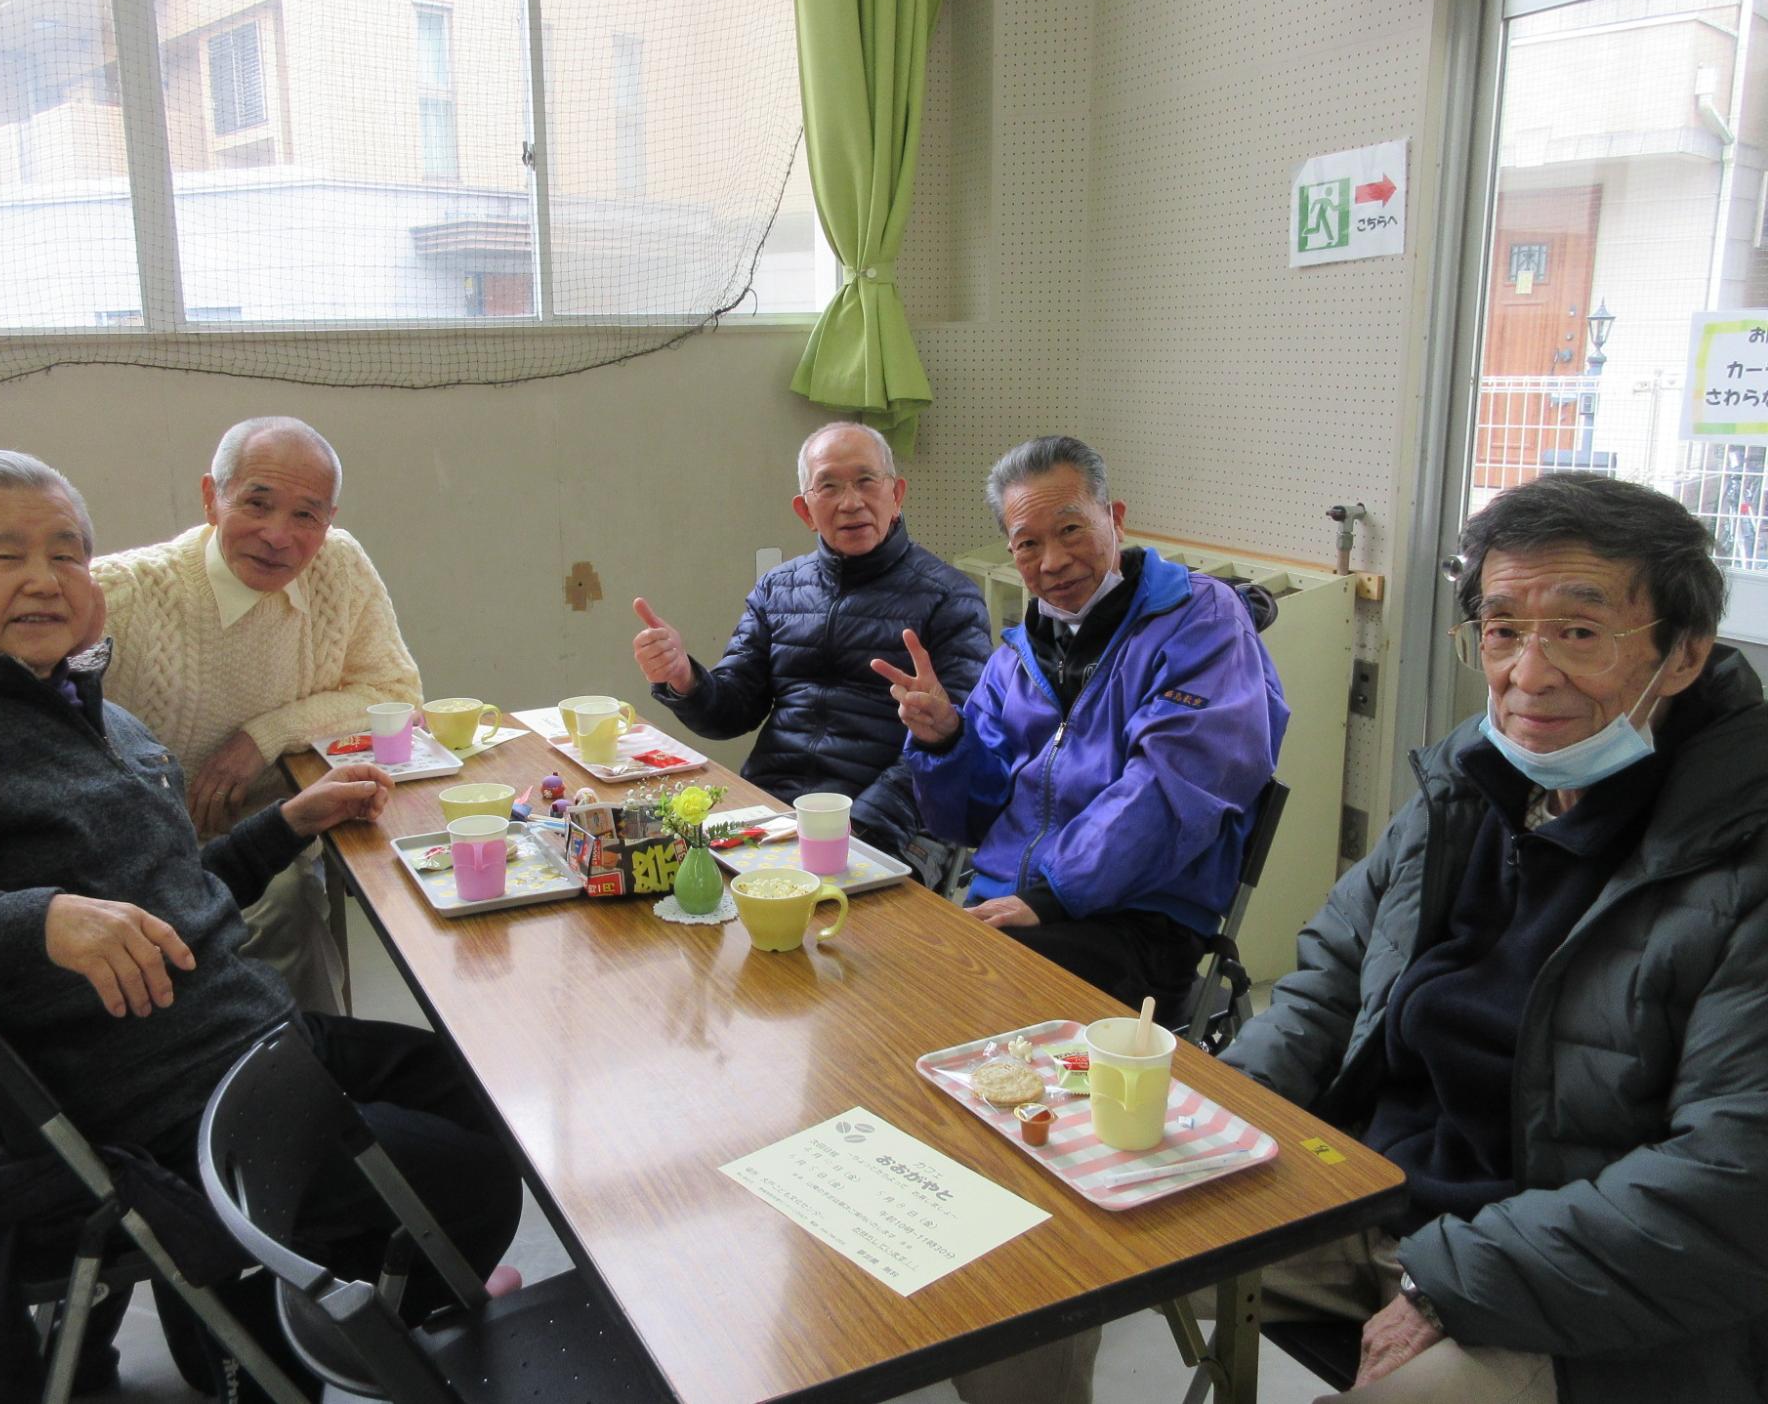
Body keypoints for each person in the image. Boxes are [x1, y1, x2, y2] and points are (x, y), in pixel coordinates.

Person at [992, 471, 1768, 1404]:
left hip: (1560, 1270)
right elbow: (1329, 977)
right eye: (1504, 629)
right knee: (1013, 1247)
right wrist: (1228, 1116)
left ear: (1683, 655)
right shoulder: (1470, 787)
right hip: (1359, 1185)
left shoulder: (1737, 858)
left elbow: (1733, 1186)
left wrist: (1457, 1281)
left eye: (1578, 632)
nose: (1527, 675)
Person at [0, 450, 519, 1402]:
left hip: (255, 1037)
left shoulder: (103, 720)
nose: (45, 580)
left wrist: (286, 823)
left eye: (67, 553)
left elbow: (169, 900)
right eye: (5, 556)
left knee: (487, 1097)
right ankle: (290, 1333)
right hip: (167, 1107)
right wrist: (28, 921)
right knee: (468, 1178)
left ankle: (307, 1308)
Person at [0, 416, 421, 1015]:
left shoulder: (339, 566)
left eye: (307, 515)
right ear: (212, 497)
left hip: (266, 834)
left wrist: (261, 738)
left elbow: (394, 692)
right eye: (256, 503)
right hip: (137, 862)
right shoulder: (111, 593)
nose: (279, 535)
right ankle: (292, 1063)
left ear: (329, 521)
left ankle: (296, 1054)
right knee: (277, 925)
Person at [880, 434, 1287, 1016]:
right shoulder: (1015, 659)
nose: (1052, 561)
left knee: (957, 998)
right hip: (1012, 908)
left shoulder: (1204, 621)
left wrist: (1053, 895)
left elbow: (1174, 787)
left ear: (1114, 518)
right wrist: (944, 740)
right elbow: (966, 820)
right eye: (1028, 543)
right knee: (881, 967)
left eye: (1071, 529)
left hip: (1138, 919)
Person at [631, 421, 989, 884]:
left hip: (893, 821)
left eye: (866, 481)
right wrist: (683, 678)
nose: (851, 502)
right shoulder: (779, 588)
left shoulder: (949, 598)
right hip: (775, 805)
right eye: (829, 486)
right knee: (660, 880)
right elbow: (730, 712)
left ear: (896, 493)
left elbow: (953, 747)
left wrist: (856, 826)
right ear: (805, 509)